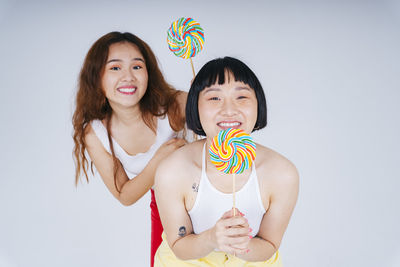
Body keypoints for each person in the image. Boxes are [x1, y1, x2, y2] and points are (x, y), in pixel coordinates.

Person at [154, 57, 299, 266]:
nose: (229, 110)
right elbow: (179, 246)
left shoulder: (282, 173)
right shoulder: (173, 170)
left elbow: (269, 244)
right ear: (196, 107)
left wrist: (240, 243)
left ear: (259, 103)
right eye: (214, 98)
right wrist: (212, 238)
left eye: (241, 97)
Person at [72, 31, 187, 267]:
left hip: (211, 197)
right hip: (165, 205)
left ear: (148, 73)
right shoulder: (96, 133)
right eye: (115, 68)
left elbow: (221, 121)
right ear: (97, 78)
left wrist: (205, 98)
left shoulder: (175, 105)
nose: (128, 77)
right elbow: (125, 194)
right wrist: (159, 160)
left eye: (137, 66)